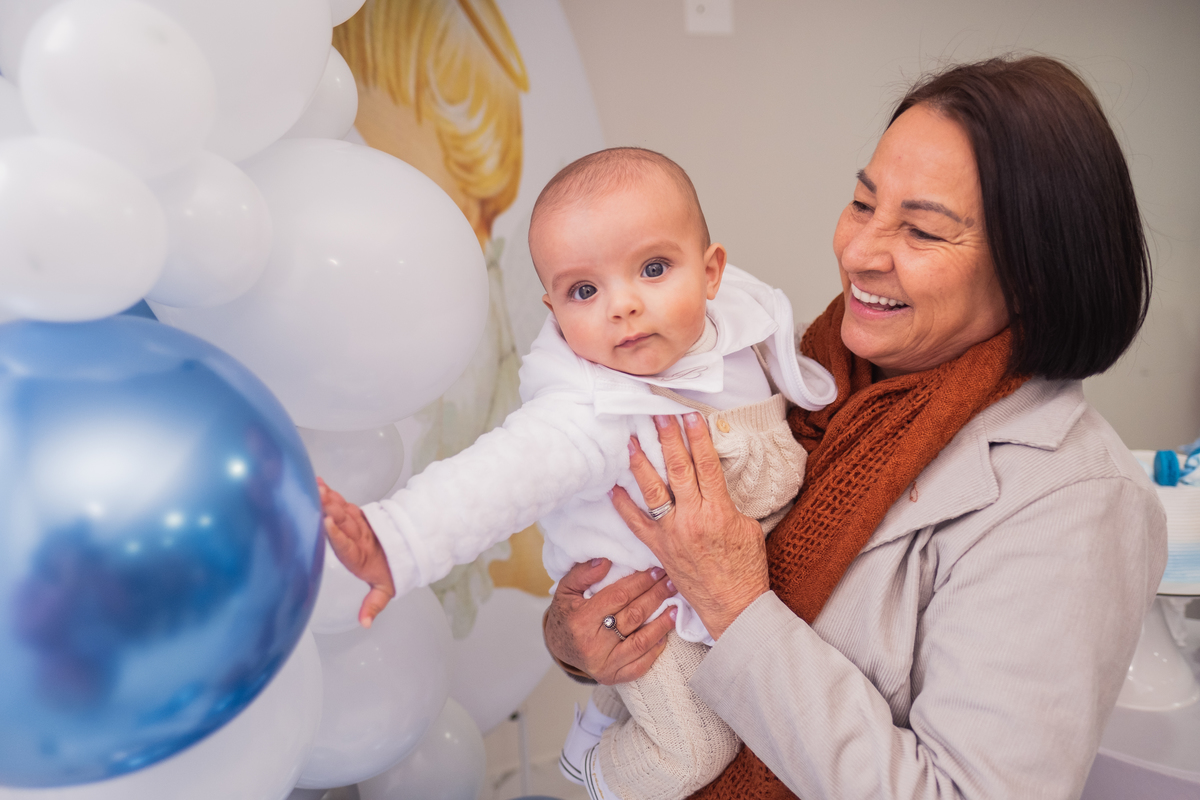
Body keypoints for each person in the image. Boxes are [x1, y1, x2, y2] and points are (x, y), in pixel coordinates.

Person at [542, 55, 1168, 800]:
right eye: (864, 203)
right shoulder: (800, 378)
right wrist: (580, 641)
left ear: (1033, 271)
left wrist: (738, 607)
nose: (860, 253)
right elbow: (656, 621)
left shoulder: (1076, 502)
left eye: (923, 232)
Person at [320, 148, 837, 800]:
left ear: (712, 273)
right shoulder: (587, 416)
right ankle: (595, 766)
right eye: (584, 291)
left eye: (653, 269)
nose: (621, 306)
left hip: (736, 587)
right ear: (554, 309)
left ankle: (606, 715)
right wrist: (392, 540)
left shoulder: (738, 326)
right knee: (699, 746)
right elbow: (491, 482)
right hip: (652, 616)